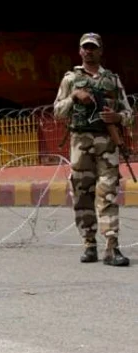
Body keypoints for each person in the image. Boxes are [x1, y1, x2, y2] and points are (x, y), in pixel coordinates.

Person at [53, 32, 132, 266]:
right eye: (85, 47)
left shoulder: (113, 80)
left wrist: (117, 115)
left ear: (100, 51)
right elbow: (57, 111)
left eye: (93, 48)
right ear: (80, 51)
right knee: (82, 194)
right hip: (80, 144)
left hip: (107, 144)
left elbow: (128, 115)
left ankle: (111, 246)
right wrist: (74, 98)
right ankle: (89, 244)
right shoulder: (70, 79)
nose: (89, 51)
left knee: (107, 193)